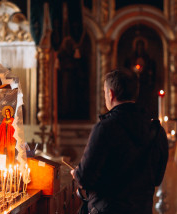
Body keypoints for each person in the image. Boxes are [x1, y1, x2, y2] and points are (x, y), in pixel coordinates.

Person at [71, 68, 168, 213]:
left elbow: (84, 178)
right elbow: (157, 179)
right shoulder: (156, 130)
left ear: (111, 94)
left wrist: (76, 173)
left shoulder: (105, 128)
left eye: (105, 92)